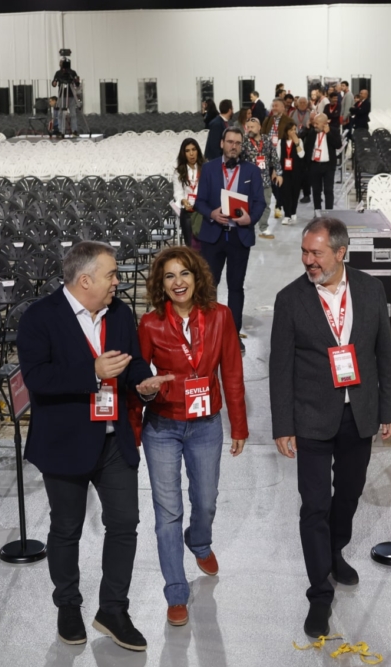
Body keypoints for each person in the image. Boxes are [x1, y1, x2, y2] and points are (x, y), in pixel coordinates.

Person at [19, 241, 172, 652]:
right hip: (65, 444)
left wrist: (143, 381)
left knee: (124, 525)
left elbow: (133, 360)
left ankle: (113, 610)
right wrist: (91, 370)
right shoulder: (40, 317)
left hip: (114, 441)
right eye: (111, 275)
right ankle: (68, 604)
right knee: (66, 530)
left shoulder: (119, 313)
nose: (118, 282)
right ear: (84, 280)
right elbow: (37, 378)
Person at [270, 216, 391, 639]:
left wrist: (390, 409)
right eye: (305, 252)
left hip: (358, 413)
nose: (308, 260)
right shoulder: (290, 299)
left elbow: (385, 355)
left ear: (340, 253)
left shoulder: (367, 289)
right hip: (310, 416)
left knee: (347, 495)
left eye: (317, 253)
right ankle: (318, 595)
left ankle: (334, 551)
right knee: (314, 505)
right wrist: (282, 424)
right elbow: (280, 369)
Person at [135, 246, 247, 627]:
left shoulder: (220, 317)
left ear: (197, 278)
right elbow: (139, 379)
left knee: (206, 499)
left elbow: (231, 371)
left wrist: (239, 425)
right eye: (169, 276)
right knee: (168, 512)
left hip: (206, 425)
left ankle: (199, 541)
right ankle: (176, 592)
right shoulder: (150, 324)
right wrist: (147, 389)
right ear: (160, 285)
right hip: (162, 427)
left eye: (184, 274)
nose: (178, 282)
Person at [193, 125, 266, 342]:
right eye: (230, 142)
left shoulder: (252, 171)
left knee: (236, 287)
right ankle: (209, 334)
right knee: (208, 285)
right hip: (213, 236)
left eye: (237, 143)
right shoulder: (209, 169)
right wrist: (212, 214)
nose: (233, 146)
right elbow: (199, 202)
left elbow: (259, 202)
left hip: (238, 237)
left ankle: (233, 336)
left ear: (241, 146)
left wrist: (250, 218)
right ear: (222, 144)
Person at [241, 118, 279, 239]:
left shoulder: (267, 140)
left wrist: (278, 172)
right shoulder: (245, 141)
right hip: (249, 180)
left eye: (252, 127)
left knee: (266, 204)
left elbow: (274, 156)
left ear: (259, 127)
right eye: (248, 127)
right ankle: (248, 226)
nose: (250, 129)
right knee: (248, 205)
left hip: (265, 179)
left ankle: (263, 227)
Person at [301, 114, 341, 213]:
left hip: (328, 166)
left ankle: (329, 213)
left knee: (328, 190)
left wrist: (329, 133)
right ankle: (317, 212)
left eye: (317, 123)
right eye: (314, 123)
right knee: (316, 191)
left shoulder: (334, 131)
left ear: (324, 123)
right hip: (314, 165)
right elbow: (303, 141)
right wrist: (306, 128)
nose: (315, 125)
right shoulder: (312, 132)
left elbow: (338, 145)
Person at [172, 138, 204, 248]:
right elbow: (178, 192)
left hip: (202, 210)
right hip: (187, 210)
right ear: (183, 153)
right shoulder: (179, 171)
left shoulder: (206, 168)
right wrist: (183, 201)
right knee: (191, 246)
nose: (191, 154)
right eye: (187, 151)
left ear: (198, 151)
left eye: (194, 150)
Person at [275, 120, 305, 226]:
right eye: (291, 130)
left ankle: (293, 212)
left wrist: (296, 143)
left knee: (295, 193)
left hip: (296, 171)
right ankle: (287, 215)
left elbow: (301, 155)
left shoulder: (299, 141)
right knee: (286, 193)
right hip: (285, 172)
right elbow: (277, 158)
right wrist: (277, 173)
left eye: (294, 130)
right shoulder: (280, 142)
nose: (293, 132)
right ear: (286, 131)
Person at [52, 58, 81, 136]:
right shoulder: (58, 73)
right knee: (61, 114)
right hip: (62, 96)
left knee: (73, 113)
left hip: (71, 95)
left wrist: (77, 81)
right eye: (61, 62)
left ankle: (74, 130)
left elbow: (77, 84)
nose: (62, 64)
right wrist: (55, 82)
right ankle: (61, 130)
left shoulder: (72, 72)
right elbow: (54, 83)